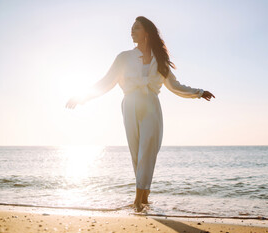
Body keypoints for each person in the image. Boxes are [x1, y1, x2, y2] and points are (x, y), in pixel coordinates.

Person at [65, 16, 215, 212]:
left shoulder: (160, 60)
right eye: (131, 28)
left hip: (151, 106)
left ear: (147, 32)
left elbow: (175, 86)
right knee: (136, 153)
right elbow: (106, 82)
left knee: (147, 152)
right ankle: (144, 198)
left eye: (136, 28)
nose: (132, 31)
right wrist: (81, 97)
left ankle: (138, 200)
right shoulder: (123, 57)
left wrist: (199, 93)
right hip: (130, 105)